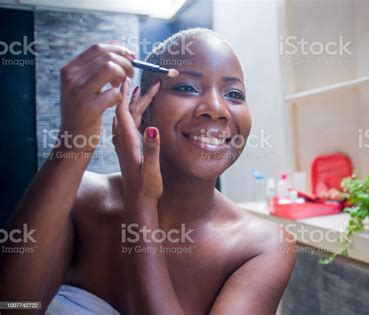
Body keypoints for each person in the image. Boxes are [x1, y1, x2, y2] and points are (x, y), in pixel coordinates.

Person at [0, 28, 296, 314]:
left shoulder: (264, 247)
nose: (216, 108)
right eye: (187, 87)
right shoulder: (81, 201)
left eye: (234, 94)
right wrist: (74, 140)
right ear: (141, 108)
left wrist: (141, 203)